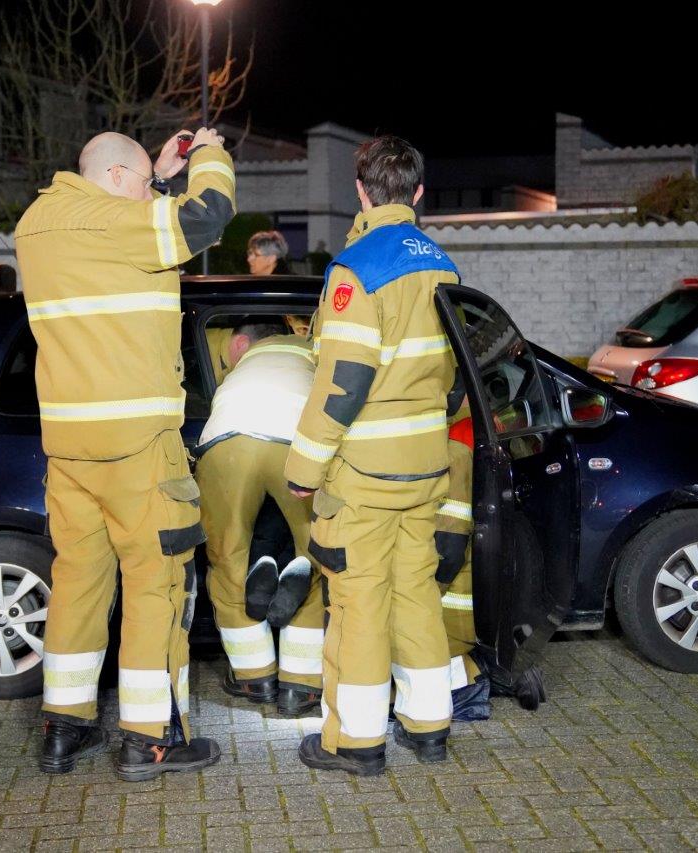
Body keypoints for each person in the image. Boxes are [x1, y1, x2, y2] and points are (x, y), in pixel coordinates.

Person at [14, 126, 235, 780]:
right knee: (155, 582)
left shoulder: (37, 222)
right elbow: (209, 215)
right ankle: (151, 738)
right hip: (137, 444)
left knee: (79, 581)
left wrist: (157, 177)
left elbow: (127, 227)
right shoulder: (119, 223)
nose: (147, 198)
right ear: (114, 180)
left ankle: (64, 726)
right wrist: (210, 155)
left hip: (69, 446)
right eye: (140, 185)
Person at [284, 135, 463, 776]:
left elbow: (343, 383)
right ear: (418, 193)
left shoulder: (357, 267)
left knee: (357, 602)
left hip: (364, 473)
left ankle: (355, 742)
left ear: (360, 192)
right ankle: (429, 725)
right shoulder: (444, 266)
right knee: (416, 592)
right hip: (426, 468)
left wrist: (304, 469)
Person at [194, 321, 324, 716]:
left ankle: (255, 676)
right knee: (315, 553)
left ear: (243, 343)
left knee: (228, 555)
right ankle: (300, 687)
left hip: (226, 439)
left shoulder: (243, 366)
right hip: (295, 441)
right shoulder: (314, 349)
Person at [434, 415, 492, 721]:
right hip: (475, 592)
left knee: (431, 641)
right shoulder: (476, 438)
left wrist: (431, 591)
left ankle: (464, 697)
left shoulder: (455, 454)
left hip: (454, 601)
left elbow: (449, 547)